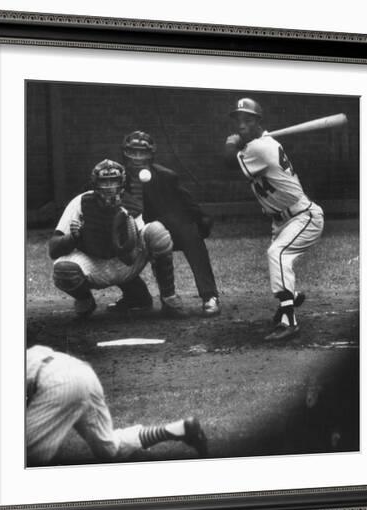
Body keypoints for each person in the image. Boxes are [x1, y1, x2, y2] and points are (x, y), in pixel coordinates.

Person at [224, 98, 324, 341]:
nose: (241, 126)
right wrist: (240, 143)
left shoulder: (259, 148)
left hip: (303, 216)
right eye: (238, 121)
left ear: (258, 122)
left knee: (277, 254)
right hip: (281, 220)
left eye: (247, 121)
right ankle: (290, 298)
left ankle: (289, 321)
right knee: (278, 258)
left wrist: (230, 144)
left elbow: (228, 162)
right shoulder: (260, 144)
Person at [48, 159, 186, 318]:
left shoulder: (131, 206)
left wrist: (121, 237)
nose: (109, 187)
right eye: (104, 182)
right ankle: (85, 300)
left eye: (113, 181)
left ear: (122, 182)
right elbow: (53, 249)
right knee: (64, 271)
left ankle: (168, 297)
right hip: (92, 262)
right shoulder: (80, 202)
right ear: (94, 183)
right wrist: (73, 237)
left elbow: (129, 258)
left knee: (157, 232)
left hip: (123, 262)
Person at [26, 345, 208, 466]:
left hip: (57, 382)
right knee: (109, 450)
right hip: (83, 372)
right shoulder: (30, 352)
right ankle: (178, 429)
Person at [108, 131, 220, 316]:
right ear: (124, 154)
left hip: (160, 232)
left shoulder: (166, 177)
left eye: (142, 153)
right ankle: (136, 298)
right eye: (132, 153)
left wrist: (201, 226)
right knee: (107, 238)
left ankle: (209, 296)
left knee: (190, 234)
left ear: (151, 154)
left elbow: (189, 206)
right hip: (129, 234)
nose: (137, 158)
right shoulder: (113, 177)